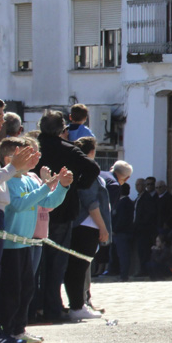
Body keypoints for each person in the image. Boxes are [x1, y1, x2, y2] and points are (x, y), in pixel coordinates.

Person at [0, 137, 69, 343]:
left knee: (27, 289)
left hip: (25, 243)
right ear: (10, 157)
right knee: (11, 290)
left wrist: (61, 187)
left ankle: (19, 329)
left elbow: (47, 202)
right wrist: (46, 187)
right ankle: (6, 329)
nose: (35, 158)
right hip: (8, 245)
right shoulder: (7, 180)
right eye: (29, 154)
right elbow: (18, 205)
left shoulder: (30, 179)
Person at [33, 109, 98, 322]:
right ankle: (51, 308)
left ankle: (32, 308)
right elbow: (93, 168)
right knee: (55, 263)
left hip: (31, 209)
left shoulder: (32, 148)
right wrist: (75, 186)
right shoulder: (68, 150)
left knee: (32, 263)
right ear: (62, 129)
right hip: (60, 210)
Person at [65, 137, 110, 320]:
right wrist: (103, 227)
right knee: (79, 267)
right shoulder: (89, 173)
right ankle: (77, 306)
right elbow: (91, 203)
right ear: (91, 152)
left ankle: (78, 303)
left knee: (78, 267)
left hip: (82, 224)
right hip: (86, 224)